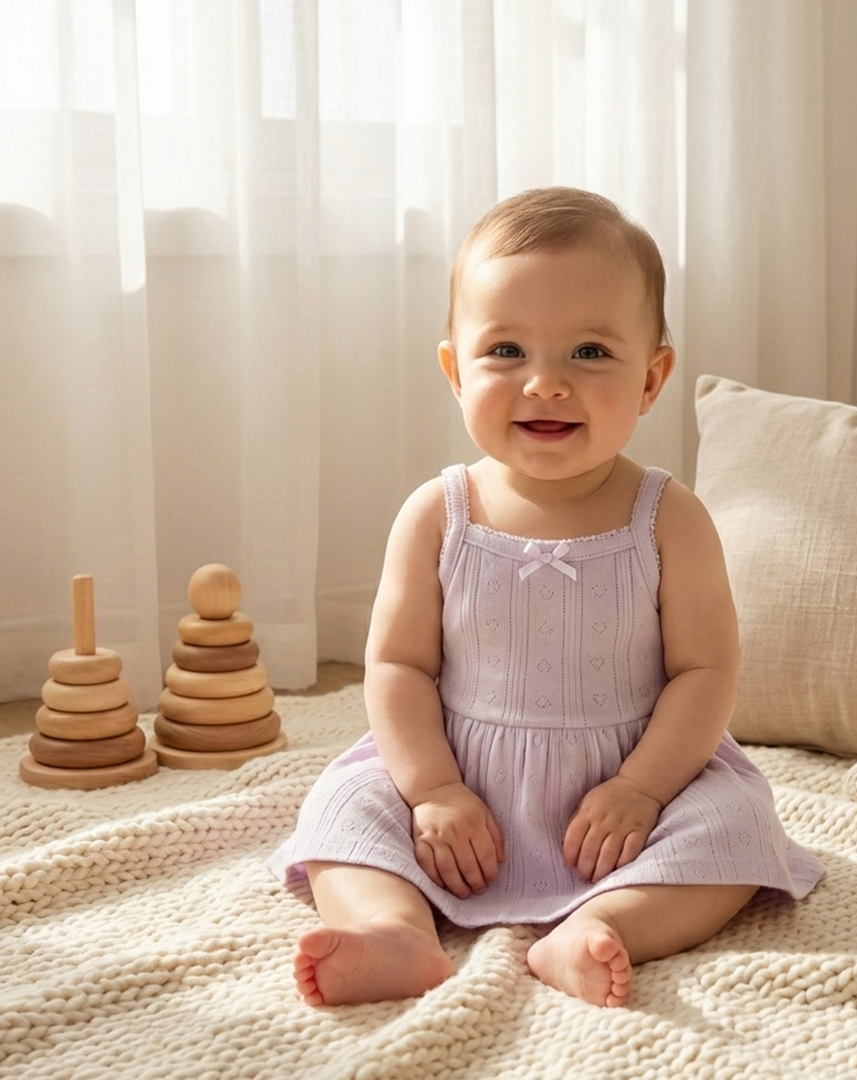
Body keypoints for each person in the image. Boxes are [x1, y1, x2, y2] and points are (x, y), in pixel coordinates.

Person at [268, 187, 825, 1009]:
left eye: (591, 352)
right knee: (343, 806)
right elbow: (396, 665)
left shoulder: (668, 517)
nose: (546, 385)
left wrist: (643, 787)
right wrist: (431, 790)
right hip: (460, 784)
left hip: (629, 792)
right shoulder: (438, 514)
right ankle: (394, 930)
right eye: (506, 351)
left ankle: (604, 927)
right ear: (455, 371)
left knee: (738, 828)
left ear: (652, 377)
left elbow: (704, 671)